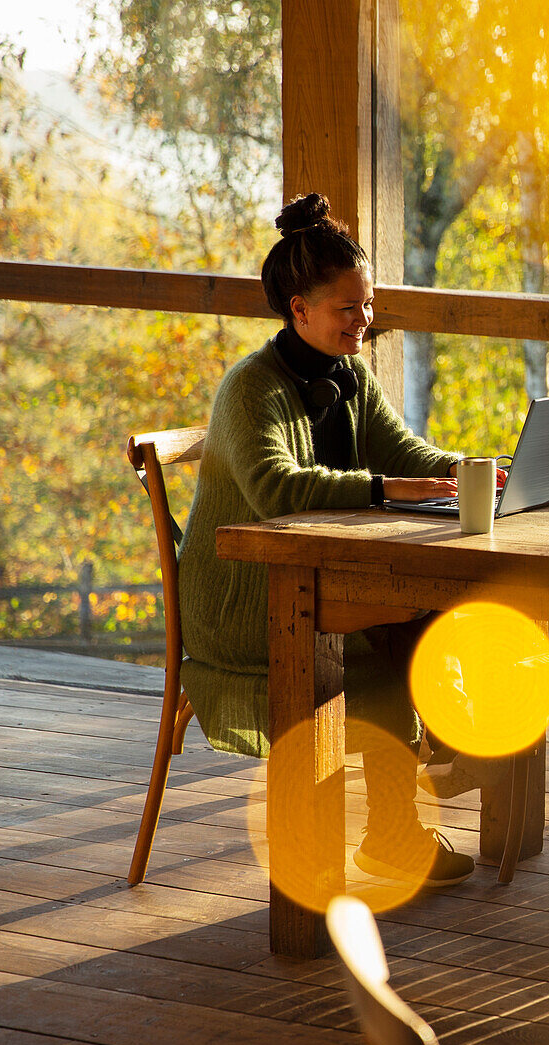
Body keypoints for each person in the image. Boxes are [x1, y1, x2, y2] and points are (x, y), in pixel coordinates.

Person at [178, 192, 476, 887]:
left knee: (420, 616)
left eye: (368, 306)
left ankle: (405, 818)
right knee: (402, 635)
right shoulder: (253, 389)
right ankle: (404, 820)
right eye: (349, 310)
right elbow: (277, 490)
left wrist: (464, 470)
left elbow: (404, 454)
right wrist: (378, 490)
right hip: (247, 603)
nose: (364, 321)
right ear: (299, 310)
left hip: (318, 582)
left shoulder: (350, 374)